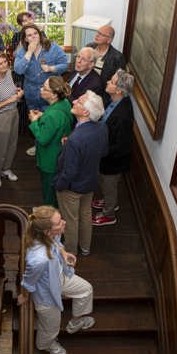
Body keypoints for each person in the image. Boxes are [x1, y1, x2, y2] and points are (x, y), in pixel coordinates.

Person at [17, 206, 95, 354]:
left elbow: (57, 244)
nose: (64, 223)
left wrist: (64, 254)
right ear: (47, 232)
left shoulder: (50, 234)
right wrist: (24, 296)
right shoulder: (38, 259)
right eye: (59, 222)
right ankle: (46, 345)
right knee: (51, 327)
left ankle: (75, 322)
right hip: (46, 294)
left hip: (60, 277)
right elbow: (29, 281)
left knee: (86, 290)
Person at [54, 90, 108, 256]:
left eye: (79, 101)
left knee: (70, 221)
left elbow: (69, 172)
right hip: (90, 182)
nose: (75, 100)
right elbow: (104, 152)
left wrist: (59, 185)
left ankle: (70, 253)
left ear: (85, 112)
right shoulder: (102, 127)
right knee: (85, 215)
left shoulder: (76, 139)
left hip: (72, 188)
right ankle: (85, 248)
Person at [14, 23, 68, 156]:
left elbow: (65, 64)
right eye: (29, 35)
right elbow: (18, 70)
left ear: (39, 34)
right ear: (25, 39)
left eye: (35, 34)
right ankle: (38, 144)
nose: (33, 37)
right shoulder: (22, 51)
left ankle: (52, 147)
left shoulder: (52, 47)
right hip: (31, 91)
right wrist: (29, 52)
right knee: (35, 118)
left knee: (50, 119)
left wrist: (51, 69)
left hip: (51, 93)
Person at [92, 70, 134, 226]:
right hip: (106, 156)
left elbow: (120, 146)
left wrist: (100, 153)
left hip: (112, 162)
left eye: (112, 81)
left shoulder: (122, 115)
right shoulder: (115, 101)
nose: (108, 81)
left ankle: (109, 214)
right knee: (105, 184)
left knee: (109, 185)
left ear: (118, 90)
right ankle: (109, 201)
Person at [28, 77, 73, 206]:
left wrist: (34, 121)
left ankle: (50, 217)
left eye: (44, 88)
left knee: (49, 193)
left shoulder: (53, 115)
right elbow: (57, 122)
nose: (40, 89)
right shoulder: (64, 103)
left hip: (50, 159)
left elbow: (42, 138)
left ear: (53, 94)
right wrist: (44, 116)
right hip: (60, 154)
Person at [0, 51, 23, 188]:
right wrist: (10, 100)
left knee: (12, 145)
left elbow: (11, 90)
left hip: (14, 113)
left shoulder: (8, 74)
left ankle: (6, 168)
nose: (4, 65)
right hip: (0, 118)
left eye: (5, 62)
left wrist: (18, 92)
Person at [87, 24, 126, 99]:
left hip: (101, 94)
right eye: (98, 32)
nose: (97, 35)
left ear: (109, 40)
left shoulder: (118, 57)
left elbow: (117, 84)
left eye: (101, 34)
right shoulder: (89, 47)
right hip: (85, 86)